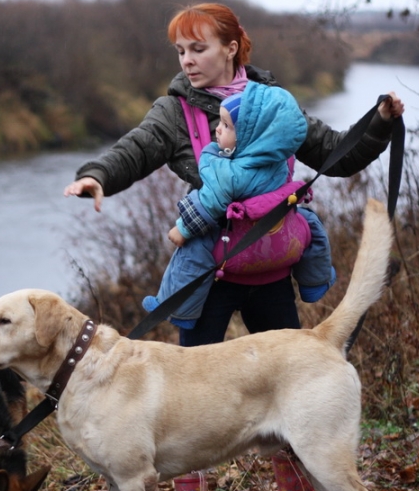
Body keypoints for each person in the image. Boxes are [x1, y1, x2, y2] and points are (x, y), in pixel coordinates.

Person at [63, 2, 405, 491]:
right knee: (184, 401)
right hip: (209, 275)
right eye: (180, 50)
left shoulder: (274, 105)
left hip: (270, 269)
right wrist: (96, 175)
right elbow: (136, 149)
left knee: (290, 392)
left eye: (198, 48)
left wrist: (381, 125)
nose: (188, 60)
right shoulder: (175, 112)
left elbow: (336, 156)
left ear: (231, 47)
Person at [142, 83, 336, 329]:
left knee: (192, 252)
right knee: (311, 223)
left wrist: (182, 229)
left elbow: (208, 204)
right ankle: (316, 280)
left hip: (232, 246)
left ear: (248, 138)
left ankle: (175, 306)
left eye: (226, 126)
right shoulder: (280, 158)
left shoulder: (230, 173)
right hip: (280, 242)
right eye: (219, 123)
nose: (217, 129)